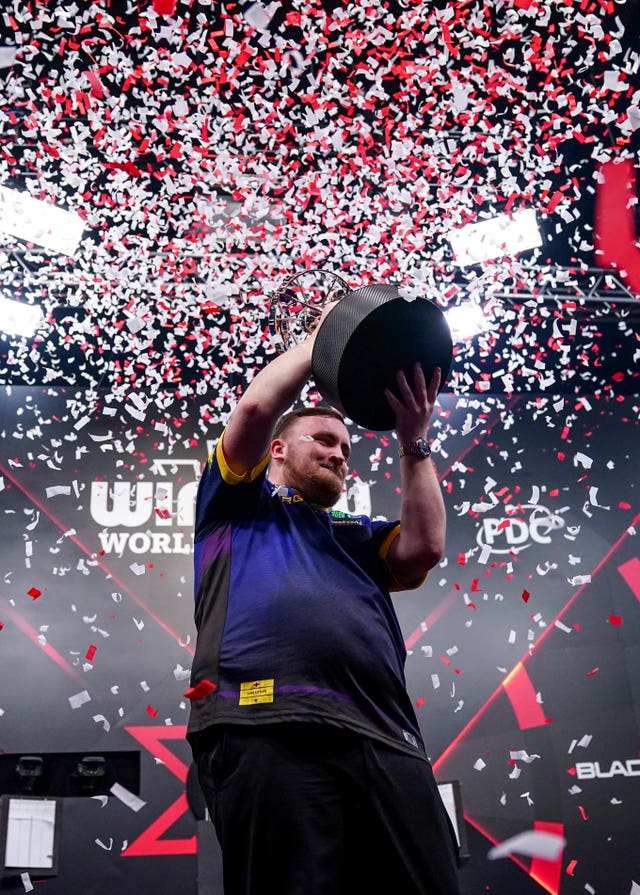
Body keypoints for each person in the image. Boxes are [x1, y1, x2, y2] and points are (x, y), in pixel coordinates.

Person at [187, 303, 461, 895]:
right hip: (267, 724)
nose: (340, 453)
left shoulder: (359, 535)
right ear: (278, 452)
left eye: (346, 448)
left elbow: (426, 547)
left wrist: (414, 441)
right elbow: (259, 408)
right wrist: (327, 341)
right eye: (324, 439)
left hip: (386, 735)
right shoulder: (232, 507)